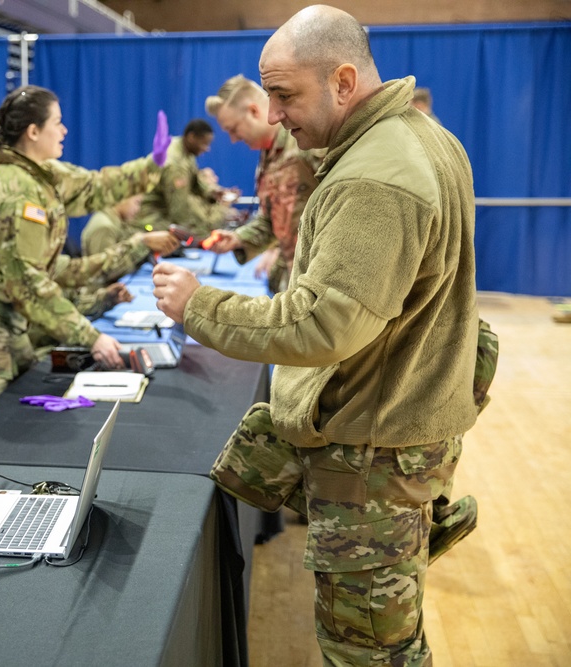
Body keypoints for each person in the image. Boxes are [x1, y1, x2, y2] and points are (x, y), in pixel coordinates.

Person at [152, 6, 479, 664]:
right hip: (400, 426)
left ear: (344, 80)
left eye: (284, 95)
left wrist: (197, 306)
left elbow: (320, 322)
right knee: (388, 631)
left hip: (375, 451)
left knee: (371, 652)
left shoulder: (374, 177)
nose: (275, 117)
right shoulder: (421, 138)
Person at [0, 85, 178, 411]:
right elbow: (29, 285)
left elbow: (96, 186)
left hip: (6, 319)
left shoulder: (41, 175)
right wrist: (92, 337)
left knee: (25, 413)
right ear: (33, 132)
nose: (64, 130)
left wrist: (152, 164)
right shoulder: (16, 192)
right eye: (57, 122)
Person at [204, 74, 324, 294]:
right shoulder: (267, 156)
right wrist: (237, 239)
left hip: (322, 281)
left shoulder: (305, 143)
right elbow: (273, 221)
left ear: (254, 111)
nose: (233, 139)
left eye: (233, 129)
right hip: (296, 278)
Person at [135, 118, 235, 237]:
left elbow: (195, 183)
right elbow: (179, 212)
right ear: (191, 137)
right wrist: (195, 235)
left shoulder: (184, 150)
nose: (206, 149)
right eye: (204, 143)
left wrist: (212, 192)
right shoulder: (175, 165)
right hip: (152, 220)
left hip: (163, 213)